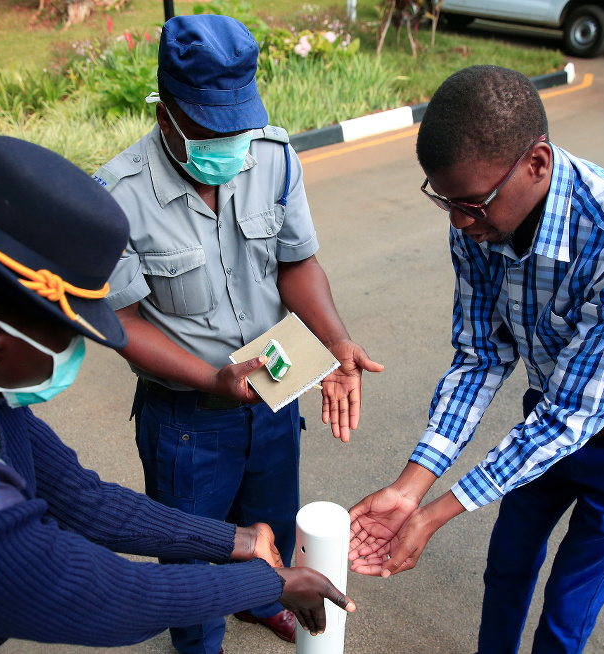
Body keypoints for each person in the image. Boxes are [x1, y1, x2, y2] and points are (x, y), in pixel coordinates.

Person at [0, 135, 356, 653]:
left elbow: (83, 501)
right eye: (67, 327)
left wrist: (233, 541)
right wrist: (267, 584)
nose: (80, 345)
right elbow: (110, 600)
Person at [347, 65, 604, 654]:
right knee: (508, 565)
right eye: (445, 202)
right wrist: (412, 486)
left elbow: (572, 416)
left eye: (472, 204)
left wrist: (434, 514)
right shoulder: (478, 219)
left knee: (568, 605)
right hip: (550, 420)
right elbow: (482, 355)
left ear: (536, 164)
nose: (461, 223)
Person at [92, 13, 381, 654]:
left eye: (238, 127)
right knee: (192, 555)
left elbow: (296, 262)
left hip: (276, 393)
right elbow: (122, 322)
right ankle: (199, 643)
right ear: (166, 114)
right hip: (187, 420)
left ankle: (260, 600)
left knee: (271, 523)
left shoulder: (272, 155)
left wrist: (334, 340)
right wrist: (211, 378)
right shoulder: (117, 196)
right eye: (208, 128)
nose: (229, 144)